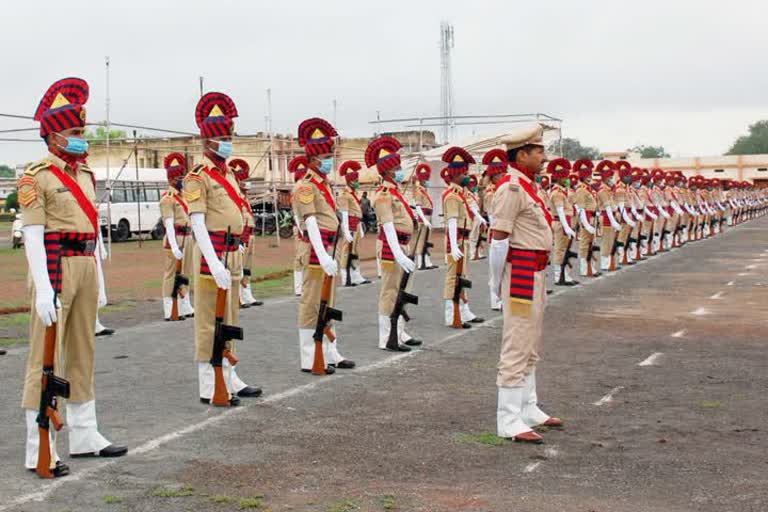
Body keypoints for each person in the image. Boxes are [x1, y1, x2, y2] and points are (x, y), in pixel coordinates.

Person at [19, 77, 127, 478]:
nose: (82, 138)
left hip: (84, 264)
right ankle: (39, 446)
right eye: (75, 132)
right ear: (55, 135)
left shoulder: (85, 176)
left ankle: (85, 434)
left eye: (82, 131)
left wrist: (100, 277)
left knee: (83, 352)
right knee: (43, 359)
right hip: (54, 265)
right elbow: (32, 234)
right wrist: (44, 288)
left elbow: (91, 231)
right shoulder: (37, 175)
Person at [182, 91, 261, 405]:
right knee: (207, 319)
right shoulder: (196, 177)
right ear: (207, 141)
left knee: (230, 316)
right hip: (211, 253)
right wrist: (214, 263)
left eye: (229, 135)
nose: (227, 142)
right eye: (222, 137)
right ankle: (208, 382)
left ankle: (229, 374)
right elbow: (198, 222)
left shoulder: (227, 172)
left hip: (231, 253)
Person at [488, 124, 562, 444]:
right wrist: (494, 283)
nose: (544, 157)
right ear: (522, 154)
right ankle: (508, 418)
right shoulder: (511, 189)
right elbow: (498, 240)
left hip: (536, 271)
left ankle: (528, 407)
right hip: (519, 272)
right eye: (539, 151)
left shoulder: (530, 186)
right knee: (517, 342)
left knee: (531, 342)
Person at [292, 117, 355, 373]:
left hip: (330, 248)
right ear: (314, 158)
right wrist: (322, 254)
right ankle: (310, 357)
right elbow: (310, 222)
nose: (330, 159)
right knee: (311, 304)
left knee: (328, 302)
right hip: (318, 249)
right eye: (326, 155)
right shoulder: (305, 186)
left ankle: (330, 351)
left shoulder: (324, 184)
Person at [366, 136, 421, 351]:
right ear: (388, 170)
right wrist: (397, 253)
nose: (400, 170)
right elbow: (387, 225)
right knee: (390, 291)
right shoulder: (384, 194)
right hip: (392, 246)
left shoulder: (397, 192)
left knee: (402, 290)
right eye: (397, 167)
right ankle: (386, 336)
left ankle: (399, 331)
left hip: (403, 244)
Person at [441, 147, 484, 328]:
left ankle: (464, 312)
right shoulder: (452, 196)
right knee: (453, 277)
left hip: (463, 239)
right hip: (456, 239)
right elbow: (451, 221)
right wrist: (454, 246)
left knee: (462, 276)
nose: (467, 176)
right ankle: (451, 314)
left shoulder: (461, 194)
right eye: (464, 172)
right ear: (456, 174)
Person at [159, 153, 195, 320]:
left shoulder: (184, 197)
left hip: (187, 237)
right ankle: (169, 307)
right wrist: (174, 246)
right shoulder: (168, 199)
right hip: (175, 237)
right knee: (171, 273)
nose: (182, 180)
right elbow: (168, 223)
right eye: (180, 177)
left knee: (186, 272)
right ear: (172, 179)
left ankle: (184, 303)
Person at [229, 159, 263, 307]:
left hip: (250, 235)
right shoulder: (234, 196)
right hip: (242, 236)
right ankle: (237, 297)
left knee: (248, 267)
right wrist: (241, 240)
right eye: (244, 180)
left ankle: (247, 294)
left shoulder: (244, 197)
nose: (247, 183)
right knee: (238, 267)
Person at [481, 149, 511, 308]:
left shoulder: (502, 189)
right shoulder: (491, 192)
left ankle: (501, 296)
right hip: (497, 230)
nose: (503, 176)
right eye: (500, 174)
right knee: (496, 268)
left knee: (504, 266)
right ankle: (494, 299)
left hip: (505, 230)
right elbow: (492, 215)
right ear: (493, 176)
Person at [337, 160, 370, 286]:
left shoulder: (353, 194)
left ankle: (356, 275)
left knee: (355, 251)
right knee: (346, 252)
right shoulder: (345, 194)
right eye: (355, 180)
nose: (357, 183)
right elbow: (344, 214)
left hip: (355, 224)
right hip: (349, 224)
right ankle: (346, 277)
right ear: (350, 181)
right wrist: (346, 230)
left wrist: (360, 227)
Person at [546, 158, 578, 286]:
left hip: (565, 222)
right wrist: (567, 228)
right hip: (560, 223)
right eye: (564, 177)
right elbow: (560, 212)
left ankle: (566, 275)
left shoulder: (563, 191)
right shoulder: (557, 193)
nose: (567, 179)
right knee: (560, 250)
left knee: (566, 249)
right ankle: (559, 277)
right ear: (559, 178)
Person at [572, 159, 599, 277]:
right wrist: (586, 224)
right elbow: (581, 208)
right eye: (586, 175)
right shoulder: (581, 190)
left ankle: (590, 267)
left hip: (592, 218)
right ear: (581, 177)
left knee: (591, 243)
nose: (589, 177)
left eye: (590, 175)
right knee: (584, 244)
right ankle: (584, 268)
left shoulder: (589, 188)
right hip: (586, 218)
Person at [288, 156, 311, 296]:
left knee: (305, 256)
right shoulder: (298, 188)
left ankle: (302, 286)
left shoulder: (303, 187)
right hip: (302, 228)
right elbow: (297, 213)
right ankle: (298, 288)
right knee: (300, 257)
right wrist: (302, 230)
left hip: (305, 226)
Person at [408, 163, 437, 270]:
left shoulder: (424, 190)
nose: (427, 181)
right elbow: (418, 206)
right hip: (423, 217)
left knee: (426, 240)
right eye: (425, 179)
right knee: (421, 240)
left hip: (428, 216)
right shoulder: (418, 190)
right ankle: (420, 262)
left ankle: (427, 261)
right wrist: (424, 220)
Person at [595, 160, 621, 272]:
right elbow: (607, 207)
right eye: (609, 177)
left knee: (611, 241)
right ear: (604, 178)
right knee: (606, 241)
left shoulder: (609, 190)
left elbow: (613, 204)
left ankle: (610, 262)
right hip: (606, 217)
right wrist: (613, 221)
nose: (611, 179)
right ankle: (605, 264)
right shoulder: (602, 190)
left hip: (611, 216)